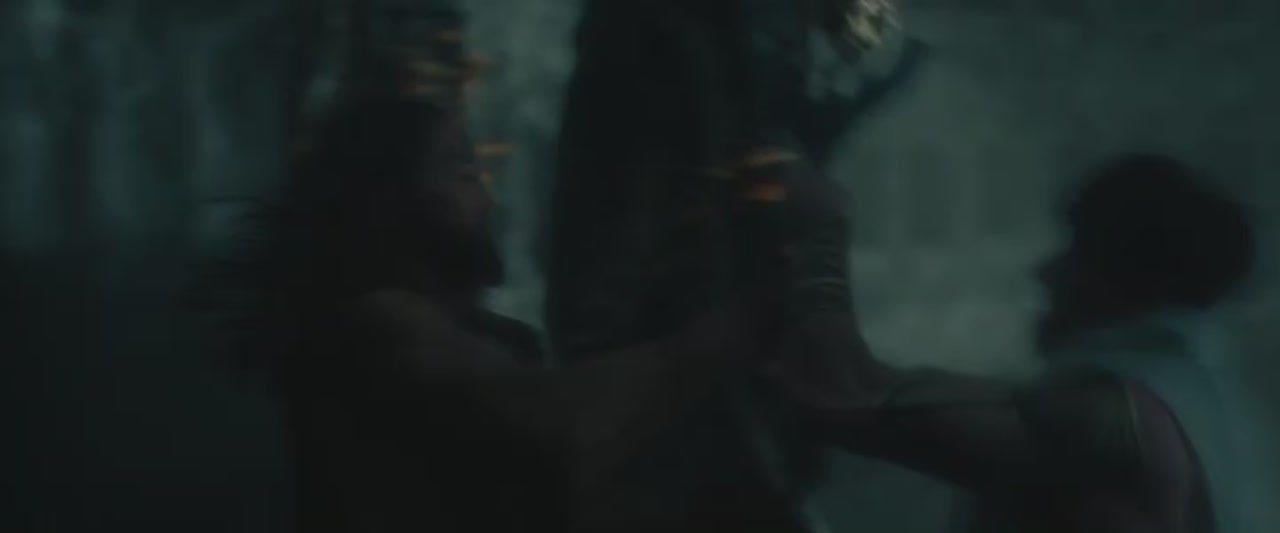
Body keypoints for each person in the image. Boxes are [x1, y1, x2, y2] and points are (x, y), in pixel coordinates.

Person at [763, 152, 1257, 533]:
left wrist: (817, 223)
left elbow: (838, 393)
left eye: (1077, 253)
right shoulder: (1210, 410)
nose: (1046, 273)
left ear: (1130, 280)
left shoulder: (1111, 418)